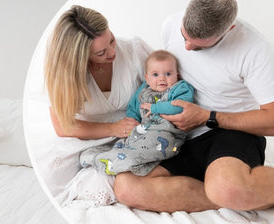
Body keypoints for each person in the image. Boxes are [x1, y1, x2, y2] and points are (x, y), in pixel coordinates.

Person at [114, 0, 274, 212]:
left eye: (199, 45)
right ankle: (225, 197)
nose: (187, 47)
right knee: (126, 188)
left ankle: (227, 191)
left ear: (229, 29)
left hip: (230, 131)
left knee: (227, 188)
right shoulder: (170, 23)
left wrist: (207, 116)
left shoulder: (256, 51)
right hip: (178, 136)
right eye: (184, 37)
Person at [44, 5, 151, 205]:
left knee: (118, 178)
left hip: (132, 131)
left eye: (111, 39)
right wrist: (113, 128)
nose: (112, 53)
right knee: (52, 184)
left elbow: (162, 84)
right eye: (101, 52)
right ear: (79, 58)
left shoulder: (134, 50)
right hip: (86, 135)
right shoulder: (65, 75)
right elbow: (63, 126)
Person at [96, 50, 194, 176]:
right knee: (127, 141)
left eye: (168, 74)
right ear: (147, 78)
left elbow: (178, 107)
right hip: (143, 130)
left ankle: (123, 162)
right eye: (155, 75)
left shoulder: (180, 88)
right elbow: (133, 107)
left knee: (151, 145)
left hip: (169, 133)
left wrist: (155, 108)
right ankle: (112, 155)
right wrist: (131, 121)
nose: (162, 79)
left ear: (177, 75)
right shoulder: (144, 90)